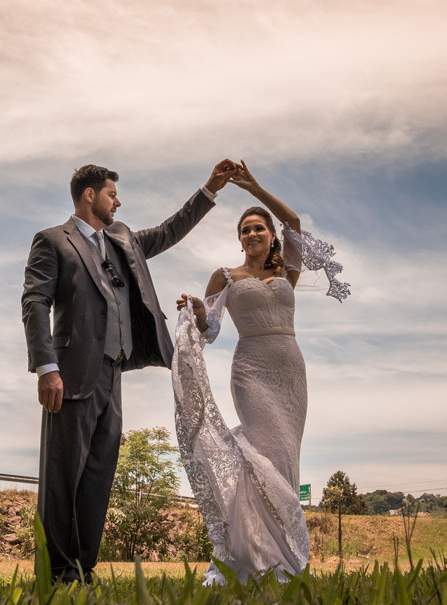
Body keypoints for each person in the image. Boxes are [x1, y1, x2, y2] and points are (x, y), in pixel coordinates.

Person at [22, 160, 239, 584]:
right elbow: (35, 302)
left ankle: (82, 570)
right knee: (62, 476)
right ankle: (57, 573)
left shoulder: (122, 240)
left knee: (99, 474)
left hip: (113, 372)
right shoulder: (53, 241)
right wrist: (47, 367)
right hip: (70, 376)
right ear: (90, 195)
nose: (117, 202)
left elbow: (169, 230)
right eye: (111, 194)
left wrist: (210, 189)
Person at [173, 162, 349, 584]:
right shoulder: (226, 276)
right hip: (250, 370)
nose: (251, 234)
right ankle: (245, 555)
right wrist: (197, 308)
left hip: (291, 371)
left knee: (283, 459)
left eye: (258, 228)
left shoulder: (286, 272)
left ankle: (280, 555)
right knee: (262, 453)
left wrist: (253, 187)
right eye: (245, 230)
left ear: (271, 236)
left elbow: (295, 222)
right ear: (239, 240)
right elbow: (209, 328)